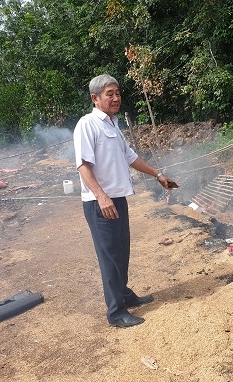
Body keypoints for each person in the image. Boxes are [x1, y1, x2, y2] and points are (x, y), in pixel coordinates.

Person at [73, 73, 175, 328]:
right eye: (110, 94)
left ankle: (124, 294)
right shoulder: (88, 124)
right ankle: (116, 312)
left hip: (117, 200)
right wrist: (100, 196)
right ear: (95, 98)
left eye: (118, 93)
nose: (116, 98)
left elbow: (130, 156)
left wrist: (158, 174)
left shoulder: (112, 124)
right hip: (101, 203)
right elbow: (83, 166)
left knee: (121, 252)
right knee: (109, 257)